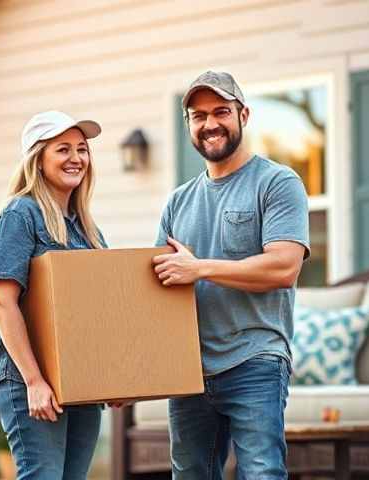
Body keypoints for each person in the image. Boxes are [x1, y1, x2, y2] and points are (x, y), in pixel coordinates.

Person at [152, 71, 310, 479]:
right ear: (188, 124)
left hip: (254, 359)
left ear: (244, 115)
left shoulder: (276, 182)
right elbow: (158, 292)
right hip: (189, 371)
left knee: (261, 473)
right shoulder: (177, 202)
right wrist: (133, 375)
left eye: (221, 111)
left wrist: (199, 267)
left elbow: (284, 267)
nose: (210, 124)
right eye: (198, 115)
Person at [0, 110, 107, 480]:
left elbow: (101, 311)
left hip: (78, 382)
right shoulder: (20, 215)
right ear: (38, 159)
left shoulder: (88, 230)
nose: (76, 159)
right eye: (63, 149)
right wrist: (35, 381)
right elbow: (3, 305)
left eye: (82, 149)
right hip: (28, 381)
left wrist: (110, 377)